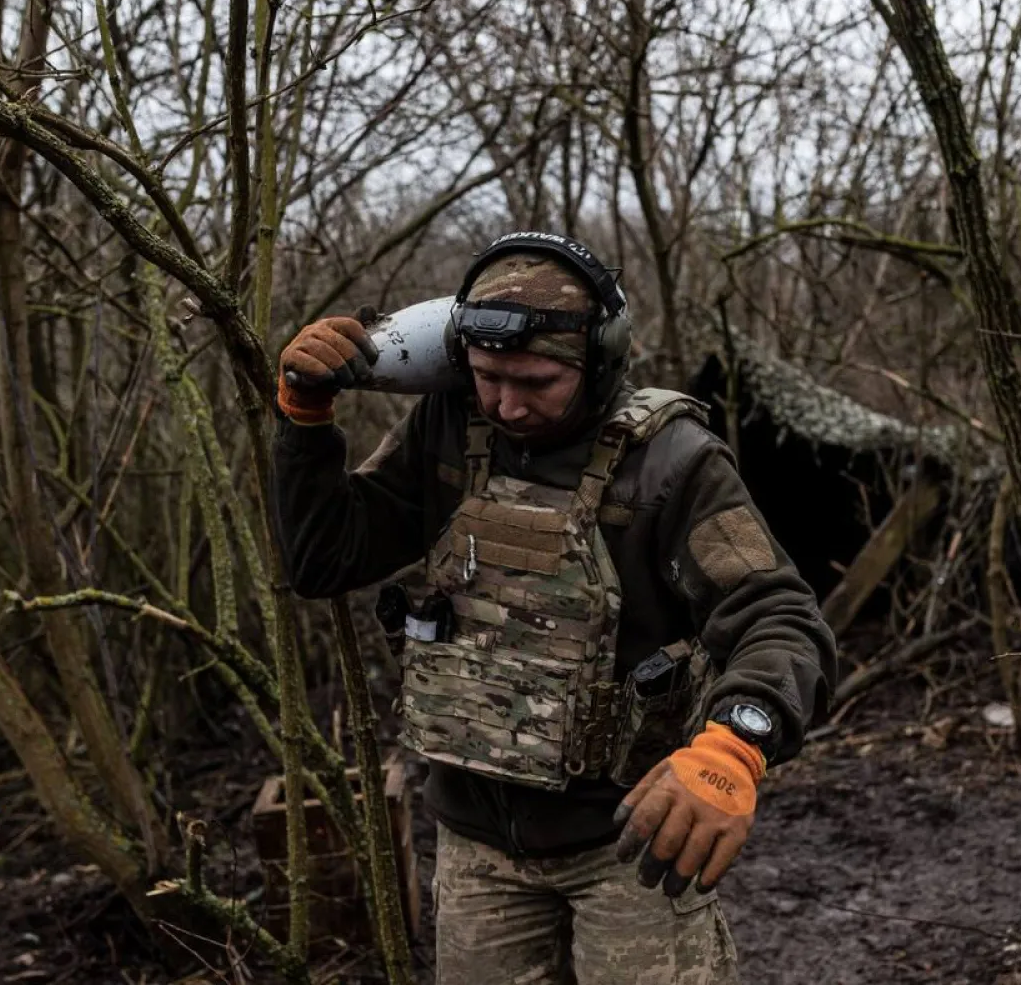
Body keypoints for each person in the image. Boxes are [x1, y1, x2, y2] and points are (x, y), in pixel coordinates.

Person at [272, 231, 836, 983]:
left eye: (536, 381)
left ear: (598, 361)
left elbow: (779, 617)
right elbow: (323, 560)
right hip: (476, 845)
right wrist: (304, 421)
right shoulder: (450, 429)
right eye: (486, 377)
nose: (508, 404)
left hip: (627, 843)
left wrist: (733, 746)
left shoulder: (672, 464)